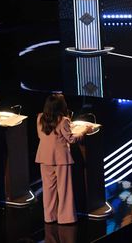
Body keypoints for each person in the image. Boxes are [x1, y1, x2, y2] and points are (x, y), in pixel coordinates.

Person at [35, 94, 92, 225]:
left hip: (44, 157)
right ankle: (66, 218)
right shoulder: (63, 120)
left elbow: (41, 136)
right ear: (61, 106)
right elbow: (71, 139)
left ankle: (49, 217)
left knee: (48, 188)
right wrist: (83, 131)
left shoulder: (40, 118)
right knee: (64, 188)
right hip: (61, 159)